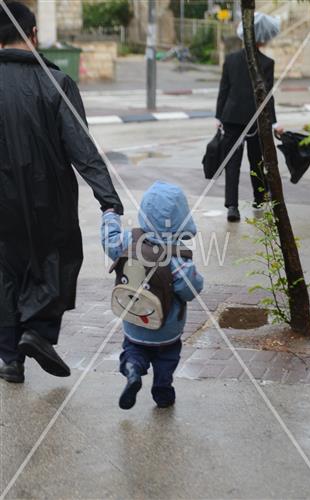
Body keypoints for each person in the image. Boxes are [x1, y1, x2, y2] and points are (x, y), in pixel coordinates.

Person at [0, 2, 123, 383]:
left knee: (4, 272)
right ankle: (39, 331)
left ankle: (10, 359)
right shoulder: (58, 83)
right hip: (49, 201)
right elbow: (82, 150)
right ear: (34, 36)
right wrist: (109, 201)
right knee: (56, 260)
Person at [102, 181, 204, 409]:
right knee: (167, 359)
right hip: (167, 330)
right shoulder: (178, 258)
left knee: (134, 350)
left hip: (134, 322)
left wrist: (110, 217)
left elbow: (109, 240)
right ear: (182, 218)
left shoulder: (129, 241)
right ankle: (162, 391)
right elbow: (191, 290)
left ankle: (132, 370)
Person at [215, 12, 284, 222]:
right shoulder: (267, 63)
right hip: (256, 120)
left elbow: (223, 90)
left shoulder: (231, 59)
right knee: (257, 161)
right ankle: (259, 198)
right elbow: (267, 96)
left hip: (231, 118)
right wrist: (274, 122)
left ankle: (232, 208)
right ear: (263, 37)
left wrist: (218, 116)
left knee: (232, 164)